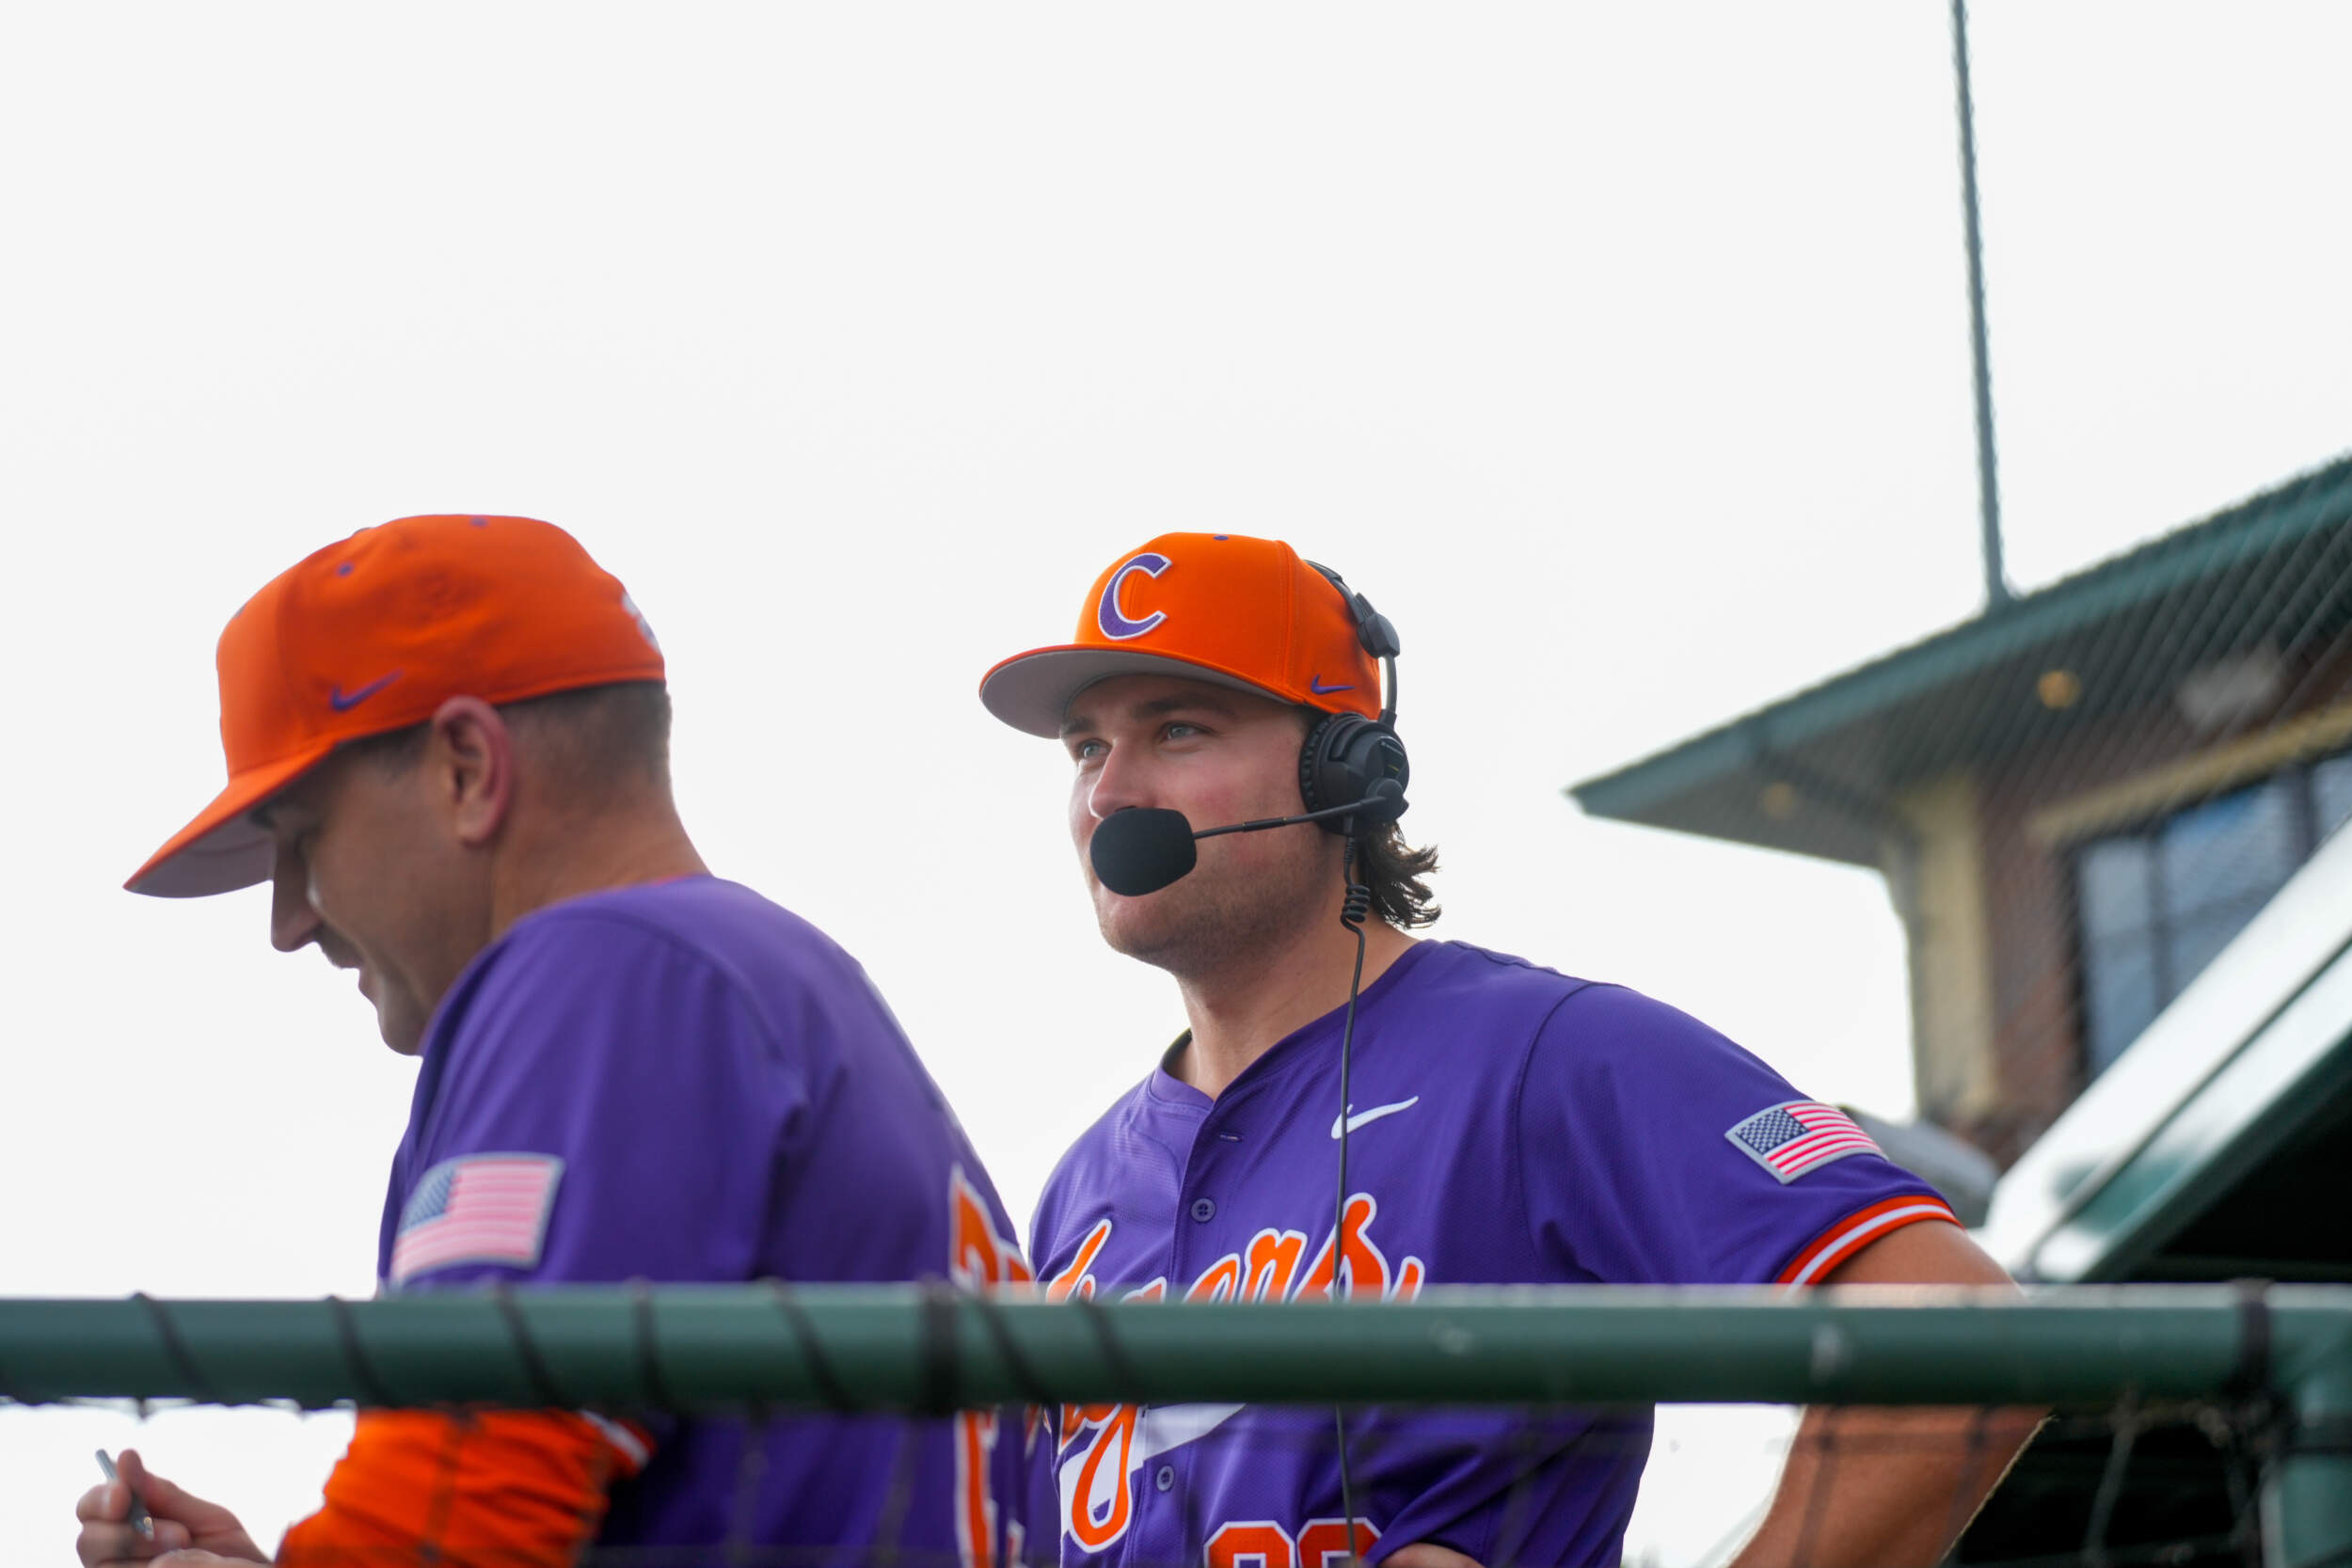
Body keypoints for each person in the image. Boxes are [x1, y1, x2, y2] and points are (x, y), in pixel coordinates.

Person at [977, 532, 2039, 1568]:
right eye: (1086, 747)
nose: (1107, 793)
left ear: (1343, 769)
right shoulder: (1079, 1188)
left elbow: (1961, 1325)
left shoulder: (1552, 1054)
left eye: (1177, 730)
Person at [77, 514, 1031, 1568]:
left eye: (303, 839)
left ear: (465, 768)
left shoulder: (610, 969)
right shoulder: (769, 979)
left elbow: (455, 1530)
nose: (289, 919)